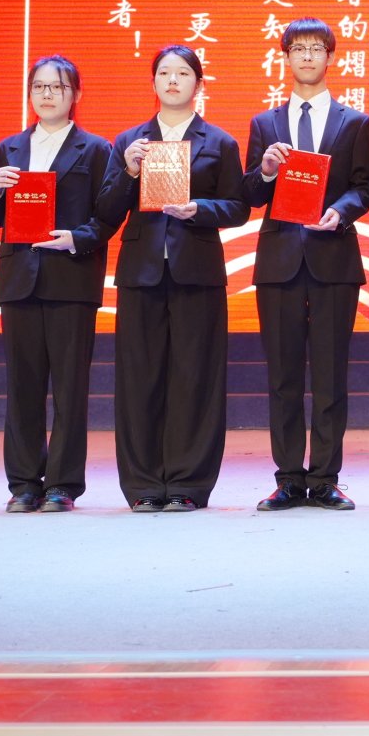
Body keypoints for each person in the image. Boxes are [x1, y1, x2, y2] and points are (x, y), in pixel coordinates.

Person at [96, 45, 250, 512]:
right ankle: (143, 484)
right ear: (153, 82)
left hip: (197, 273)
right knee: (139, 378)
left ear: (198, 84)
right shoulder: (129, 141)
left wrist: (199, 209)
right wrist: (128, 170)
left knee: (195, 376)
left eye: (183, 73)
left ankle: (188, 483)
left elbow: (238, 207)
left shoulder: (219, 142)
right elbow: (105, 211)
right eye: (164, 73)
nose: (173, 80)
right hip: (141, 273)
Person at [242, 18, 369, 512]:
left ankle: (324, 479)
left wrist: (341, 211)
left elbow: (364, 186)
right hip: (279, 261)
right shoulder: (265, 124)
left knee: (331, 374)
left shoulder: (354, 122)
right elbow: (250, 193)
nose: (307, 57)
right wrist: (266, 171)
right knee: (282, 377)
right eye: (298, 49)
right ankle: (287, 479)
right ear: (286, 58)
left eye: (316, 48)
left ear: (330, 57)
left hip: (333, 259)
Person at [0, 55, 118, 513]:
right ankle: (23, 483)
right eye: (39, 86)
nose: (47, 94)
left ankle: (63, 483)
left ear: (75, 94)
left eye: (57, 87)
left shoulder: (96, 149)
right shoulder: (9, 148)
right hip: (19, 278)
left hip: (70, 279)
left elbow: (107, 215)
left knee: (69, 387)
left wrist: (77, 238)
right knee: (22, 386)